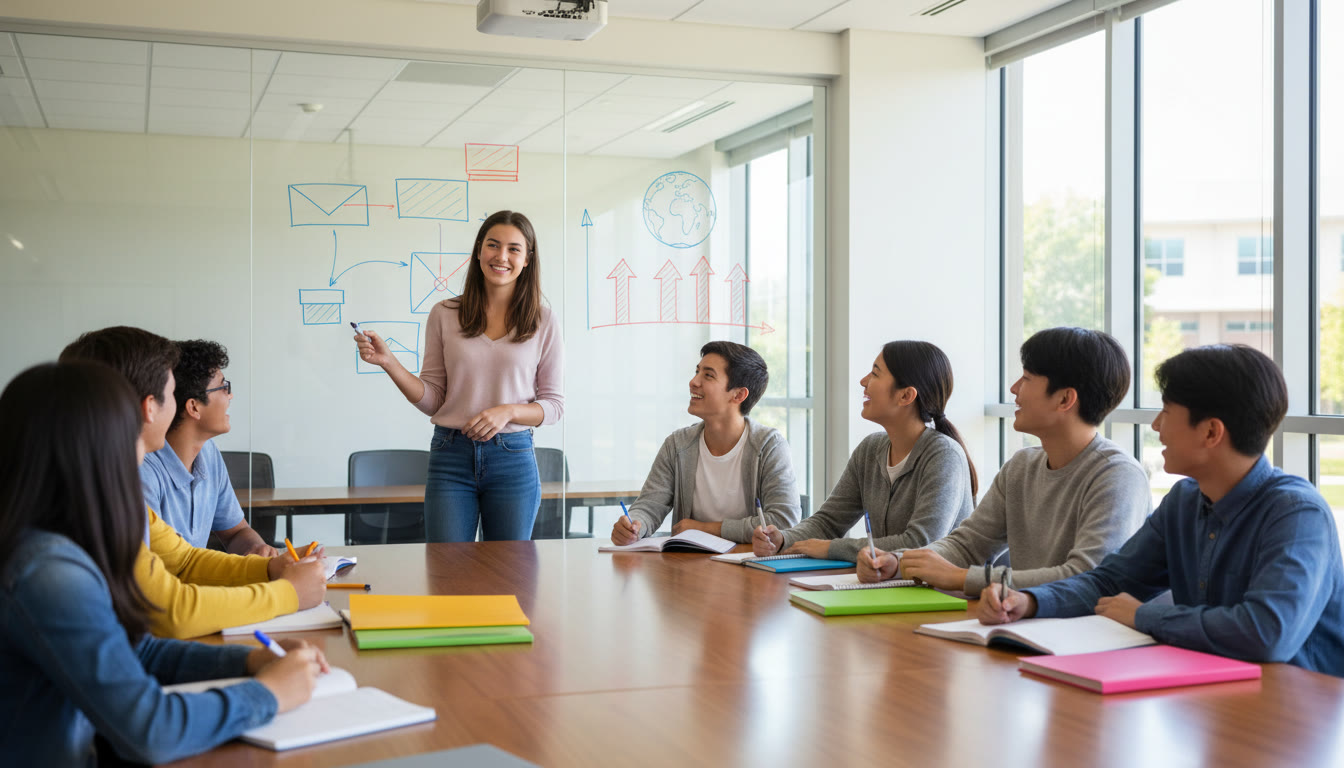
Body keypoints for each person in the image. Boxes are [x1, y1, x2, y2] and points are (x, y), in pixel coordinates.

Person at [0, 361, 329, 766]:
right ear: (95, 454)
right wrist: (269, 694)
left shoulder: (62, 539)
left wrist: (249, 660)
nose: (140, 458)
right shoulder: (48, 573)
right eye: (132, 442)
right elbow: (151, 730)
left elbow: (139, 653)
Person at [980, 345, 1344, 676]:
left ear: (1211, 432)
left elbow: (1266, 633)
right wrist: (1028, 601)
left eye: (1167, 412)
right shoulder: (1184, 500)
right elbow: (1109, 582)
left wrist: (1143, 615)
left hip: (1295, 712)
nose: (1156, 427)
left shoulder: (1296, 514)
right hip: (1212, 696)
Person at [61, 326, 326, 638]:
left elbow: (184, 561)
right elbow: (166, 611)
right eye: (169, 393)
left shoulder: (107, 482)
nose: (173, 404)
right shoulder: (105, 494)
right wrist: (289, 594)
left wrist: (270, 569)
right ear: (150, 406)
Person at [859, 327, 1151, 594]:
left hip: (1085, 639)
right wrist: (898, 563)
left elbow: (1086, 576)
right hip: (1020, 622)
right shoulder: (1021, 466)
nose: (1014, 389)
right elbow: (968, 545)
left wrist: (961, 578)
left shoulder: (1117, 476)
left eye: (1026, 379)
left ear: (1064, 400)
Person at [356, 210, 564, 543]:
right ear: (479, 250)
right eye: (493, 245)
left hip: (513, 458)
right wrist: (389, 363)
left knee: (510, 577)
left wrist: (508, 411)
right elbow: (434, 399)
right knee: (447, 575)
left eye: (514, 248)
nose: (501, 256)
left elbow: (553, 406)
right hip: (451, 456)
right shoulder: (444, 314)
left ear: (527, 259)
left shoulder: (544, 321)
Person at [752, 340, 973, 561]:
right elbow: (828, 522)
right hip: (890, 584)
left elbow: (920, 543)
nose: (863, 381)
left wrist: (831, 548)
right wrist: (782, 538)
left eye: (875, 374)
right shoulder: (871, 448)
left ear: (905, 396)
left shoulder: (944, 455)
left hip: (943, 591)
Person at [611, 342, 799, 545]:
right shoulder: (677, 444)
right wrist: (636, 525)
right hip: (691, 564)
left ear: (738, 395)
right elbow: (650, 505)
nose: (693, 382)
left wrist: (706, 529)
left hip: (751, 566)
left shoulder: (769, 446)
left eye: (708, 375)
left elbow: (783, 521)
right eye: (697, 371)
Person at [141, 339, 277, 555]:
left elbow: (235, 532)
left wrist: (258, 550)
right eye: (224, 387)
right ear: (194, 407)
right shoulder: (144, 471)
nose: (230, 395)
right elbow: (159, 573)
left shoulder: (208, 452)